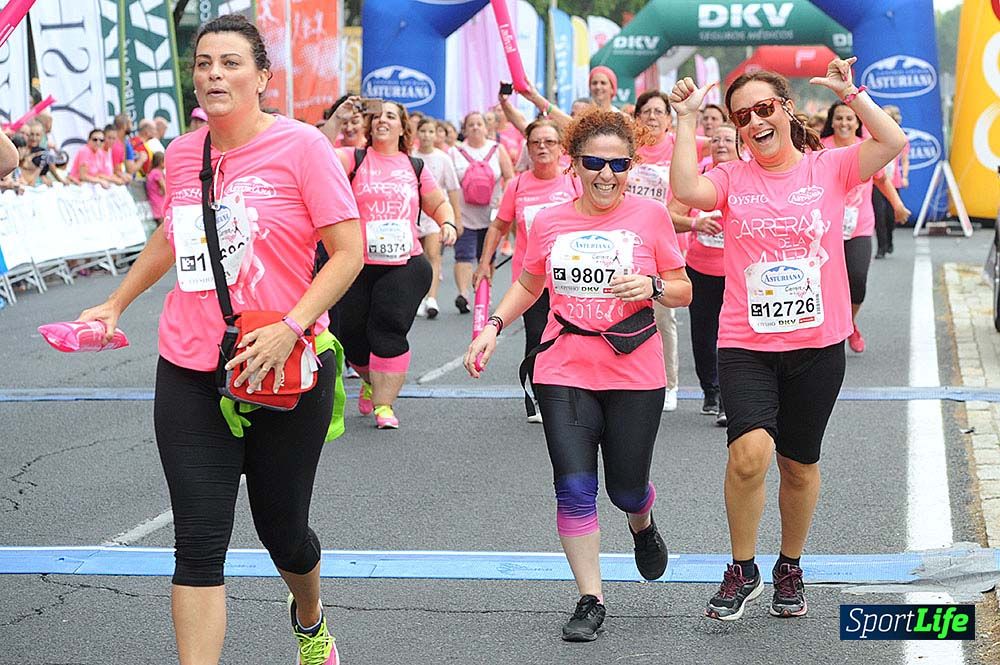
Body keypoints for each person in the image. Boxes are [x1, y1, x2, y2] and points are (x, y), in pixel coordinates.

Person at [77, 14, 364, 664]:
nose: (213, 74)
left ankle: (310, 615)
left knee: (283, 532)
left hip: (282, 365)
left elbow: (349, 251)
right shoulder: (183, 153)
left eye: (230, 62)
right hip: (191, 364)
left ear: (262, 76)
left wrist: (292, 329)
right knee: (199, 541)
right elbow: (175, 234)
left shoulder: (302, 148)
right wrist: (117, 302)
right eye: (203, 62)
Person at [669, 57, 906, 621]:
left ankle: (789, 564)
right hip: (746, 342)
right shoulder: (730, 179)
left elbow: (892, 140)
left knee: (798, 464)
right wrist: (683, 120)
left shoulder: (830, 168)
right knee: (750, 455)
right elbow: (685, 189)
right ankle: (742, 567)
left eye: (764, 108)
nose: (754, 121)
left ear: (786, 108)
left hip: (817, 345)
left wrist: (854, 94)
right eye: (742, 115)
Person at [465, 109, 691, 642]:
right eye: (595, 163)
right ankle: (591, 597)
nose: (606, 174)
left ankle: (643, 522)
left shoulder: (650, 217)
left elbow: (683, 288)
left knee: (625, 488)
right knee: (573, 487)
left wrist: (653, 288)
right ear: (575, 165)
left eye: (619, 164)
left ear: (632, 166)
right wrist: (493, 325)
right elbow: (528, 283)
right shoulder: (549, 221)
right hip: (563, 364)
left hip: (634, 370)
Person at [337, 100, 458, 429]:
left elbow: (438, 203)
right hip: (356, 263)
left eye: (390, 116)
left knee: (387, 328)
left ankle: (384, 406)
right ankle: (368, 380)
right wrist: (339, 119)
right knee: (350, 333)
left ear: (404, 128)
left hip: (404, 262)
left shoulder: (414, 166)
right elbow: (318, 157)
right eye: (376, 116)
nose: (382, 121)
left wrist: (447, 223)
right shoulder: (354, 159)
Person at [473, 118, 580, 422]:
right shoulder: (517, 184)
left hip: (569, 277)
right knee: (537, 336)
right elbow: (498, 225)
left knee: (570, 336)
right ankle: (537, 398)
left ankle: (570, 393)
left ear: (562, 148)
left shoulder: (573, 181)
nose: (542, 147)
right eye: (536, 143)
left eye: (549, 142)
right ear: (528, 149)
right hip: (531, 279)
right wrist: (484, 263)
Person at [629, 90, 707, 411]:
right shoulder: (628, 148)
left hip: (663, 241)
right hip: (625, 240)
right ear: (637, 117)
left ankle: (669, 383)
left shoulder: (679, 148)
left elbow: (682, 200)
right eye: (646, 111)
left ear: (668, 117)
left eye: (659, 111)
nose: (652, 117)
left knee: (663, 316)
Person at [820, 101, 910, 353]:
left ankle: (849, 323)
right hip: (825, 228)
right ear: (832, 121)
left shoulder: (865, 148)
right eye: (839, 118)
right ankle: (831, 330)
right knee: (826, 284)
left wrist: (897, 205)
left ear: (858, 122)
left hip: (859, 225)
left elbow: (881, 179)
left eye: (850, 118)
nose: (844, 123)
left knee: (857, 279)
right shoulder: (820, 148)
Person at [666, 123, 739, 425]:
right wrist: (696, 224)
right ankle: (710, 389)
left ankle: (727, 397)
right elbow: (667, 216)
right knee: (704, 333)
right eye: (716, 139)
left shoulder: (750, 175)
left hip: (739, 272)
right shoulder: (697, 179)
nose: (721, 144)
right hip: (701, 268)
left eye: (728, 139)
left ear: (741, 145)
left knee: (732, 335)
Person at [449, 111, 513, 313]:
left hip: (491, 215)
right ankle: (464, 294)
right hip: (464, 214)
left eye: (479, 124)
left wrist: (505, 200)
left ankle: (484, 293)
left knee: (489, 257)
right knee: (463, 255)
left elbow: (510, 177)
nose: (475, 127)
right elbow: (449, 184)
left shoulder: (497, 149)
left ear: (487, 128)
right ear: (465, 129)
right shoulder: (454, 153)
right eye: (471, 124)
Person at [412, 117, 462, 319]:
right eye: (423, 131)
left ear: (436, 135)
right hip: (414, 215)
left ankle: (432, 298)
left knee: (434, 254)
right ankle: (419, 298)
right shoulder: (410, 157)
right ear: (417, 133)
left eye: (431, 132)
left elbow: (452, 190)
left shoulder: (443, 158)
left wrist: (456, 218)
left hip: (435, 214)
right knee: (418, 258)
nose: (426, 135)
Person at [874, 104, 910, 258]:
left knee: (890, 215)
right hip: (877, 180)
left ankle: (889, 239)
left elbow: (905, 160)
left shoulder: (901, 138)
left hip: (893, 181)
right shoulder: (875, 136)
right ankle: (881, 248)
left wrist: (904, 177)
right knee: (879, 214)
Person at [145, 151, 166, 225]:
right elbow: (164, 187)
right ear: (160, 162)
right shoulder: (157, 172)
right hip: (158, 201)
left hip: (156, 200)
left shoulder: (153, 172)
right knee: (162, 223)